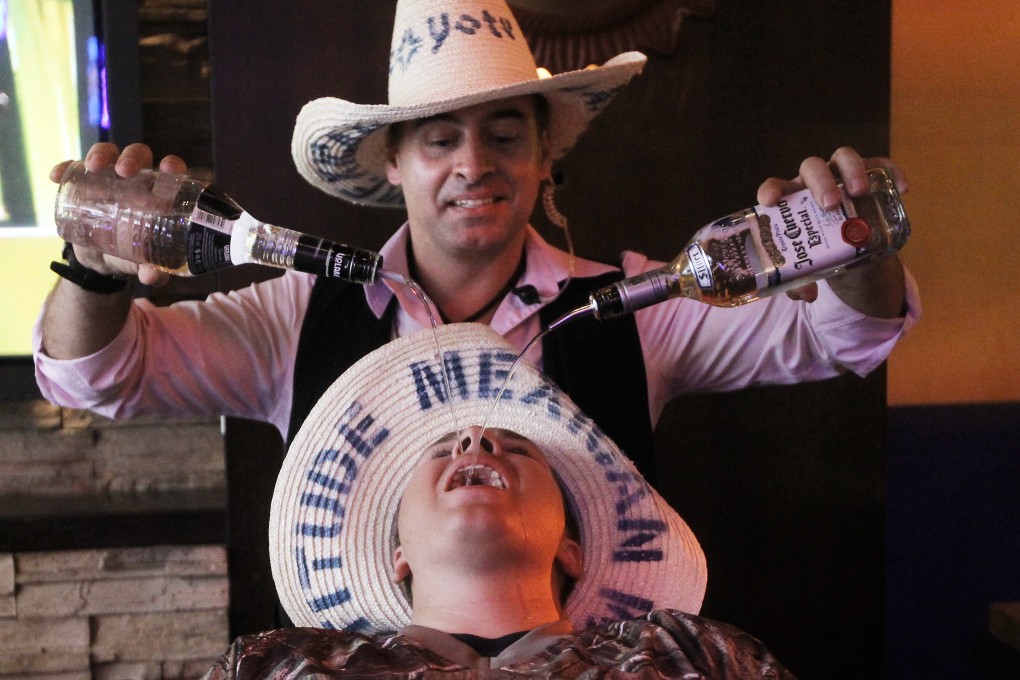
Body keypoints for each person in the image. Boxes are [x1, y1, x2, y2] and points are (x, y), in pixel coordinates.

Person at [34, 0, 919, 481]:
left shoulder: (640, 306)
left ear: (544, 161)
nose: (473, 165)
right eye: (439, 138)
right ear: (392, 165)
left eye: (504, 134)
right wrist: (92, 274)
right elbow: (98, 376)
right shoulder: (295, 314)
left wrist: (857, 252)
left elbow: (847, 336)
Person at [201, 322, 796, 678]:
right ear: (398, 552)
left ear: (571, 549)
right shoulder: (274, 667)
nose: (475, 438)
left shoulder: (690, 655)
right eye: (440, 451)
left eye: (519, 448)